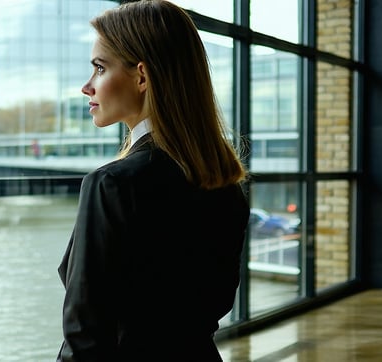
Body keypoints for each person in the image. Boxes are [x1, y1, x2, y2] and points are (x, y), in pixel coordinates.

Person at [57, 1, 250, 361]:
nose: (87, 86)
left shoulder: (112, 184)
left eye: (99, 68)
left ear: (142, 76)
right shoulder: (224, 183)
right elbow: (214, 304)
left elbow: (86, 340)